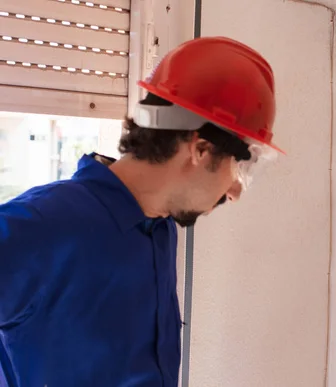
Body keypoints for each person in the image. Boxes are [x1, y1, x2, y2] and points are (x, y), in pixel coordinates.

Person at [0, 36, 281, 386]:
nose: (236, 191)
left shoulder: (159, 226)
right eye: (240, 169)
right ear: (202, 149)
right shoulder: (43, 226)